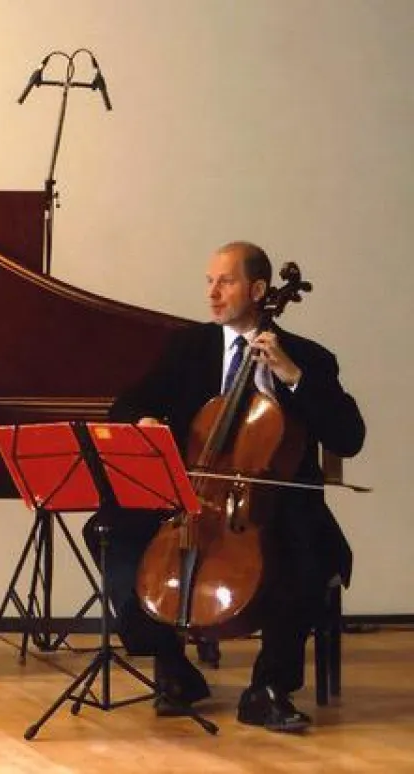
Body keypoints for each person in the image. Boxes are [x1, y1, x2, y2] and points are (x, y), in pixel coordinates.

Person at [83, 241, 365, 732]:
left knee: (309, 553)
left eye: (226, 282)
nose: (212, 293)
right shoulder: (189, 348)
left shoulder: (308, 358)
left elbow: (349, 436)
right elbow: (127, 403)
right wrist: (143, 418)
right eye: (209, 281)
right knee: (107, 529)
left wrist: (292, 377)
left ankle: (268, 688)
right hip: (195, 495)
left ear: (258, 290)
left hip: (277, 502)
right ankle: (172, 666)